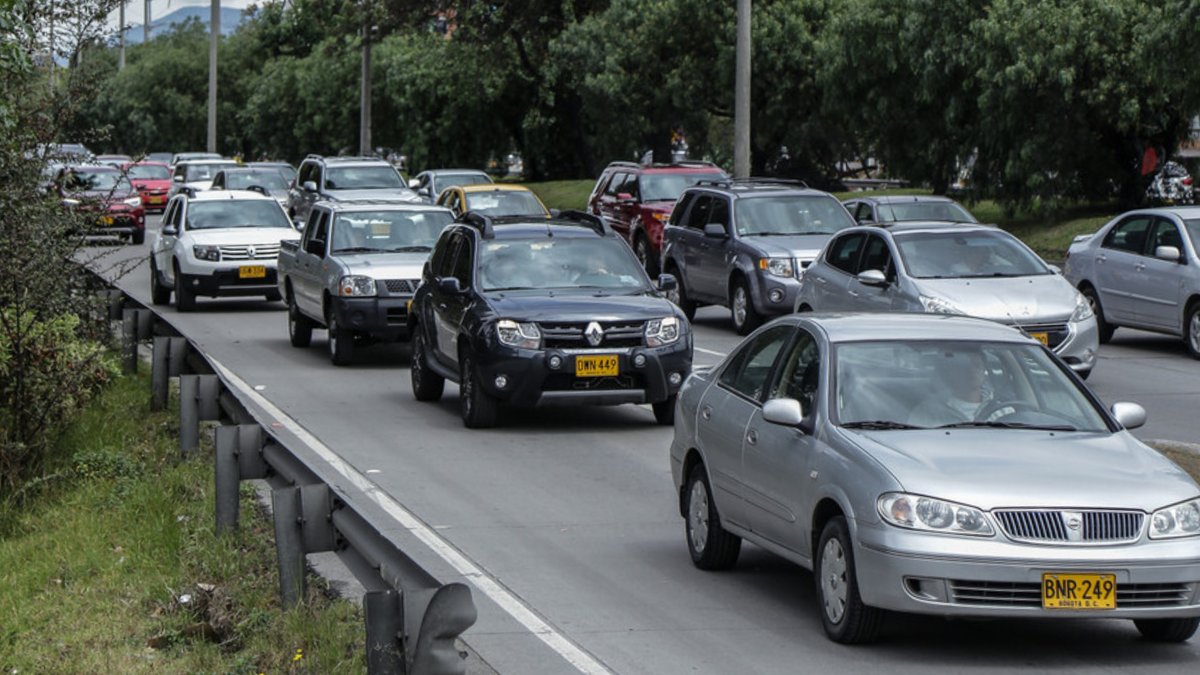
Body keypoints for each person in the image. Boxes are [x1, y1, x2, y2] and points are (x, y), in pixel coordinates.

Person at [908, 348, 993, 427]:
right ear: (951, 372)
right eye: (965, 366)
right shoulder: (927, 411)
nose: (972, 370)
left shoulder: (1000, 406)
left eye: (977, 365)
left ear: (984, 369)